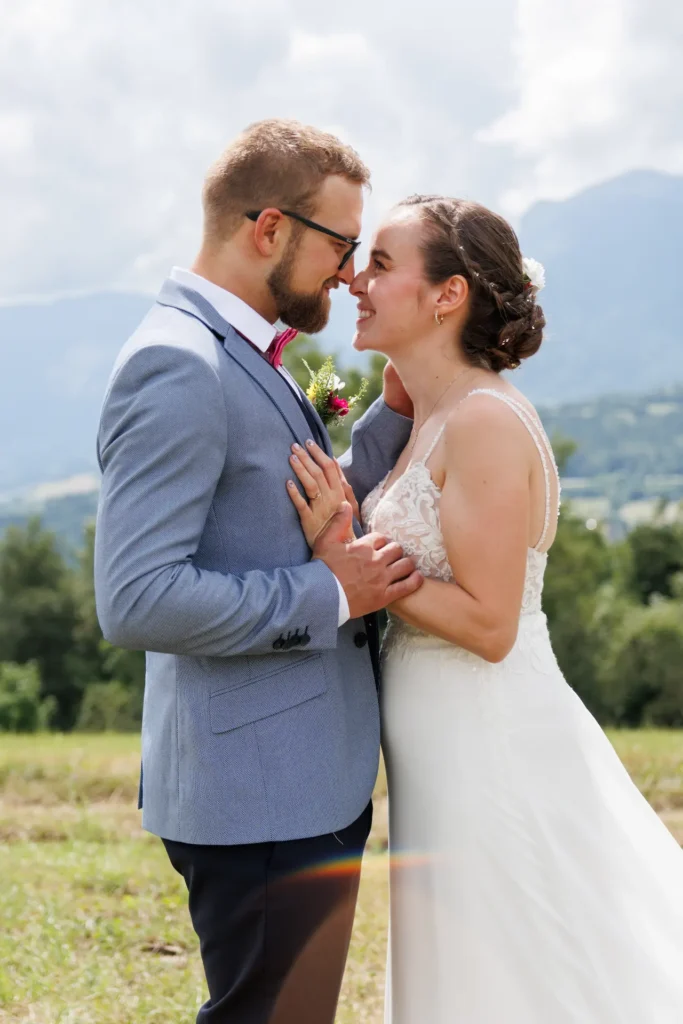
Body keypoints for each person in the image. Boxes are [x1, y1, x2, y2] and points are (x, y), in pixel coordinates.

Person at [289, 195, 683, 1023]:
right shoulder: (434, 412)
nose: (356, 279)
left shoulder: (485, 421)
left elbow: (489, 625)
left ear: (449, 294)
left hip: (487, 737)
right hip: (439, 742)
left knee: (522, 962)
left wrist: (343, 557)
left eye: (383, 264)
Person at [94, 118, 423, 1024]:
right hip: (260, 797)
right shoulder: (179, 363)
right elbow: (136, 599)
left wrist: (386, 423)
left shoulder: (242, 349)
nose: (352, 272)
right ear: (269, 230)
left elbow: (282, 514)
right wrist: (333, 592)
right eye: (341, 244)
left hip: (292, 782)